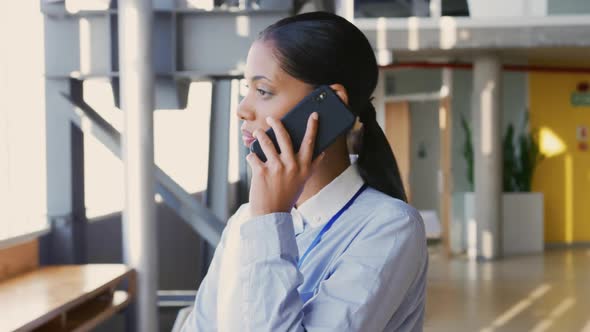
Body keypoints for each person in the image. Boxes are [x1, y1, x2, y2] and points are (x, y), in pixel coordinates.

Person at [180, 11, 428, 332]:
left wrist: (271, 220)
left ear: (327, 104)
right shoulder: (245, 220)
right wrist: (265, 217)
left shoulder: (390, 227)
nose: (242, 108)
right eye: (247, 88)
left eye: (264, 91)